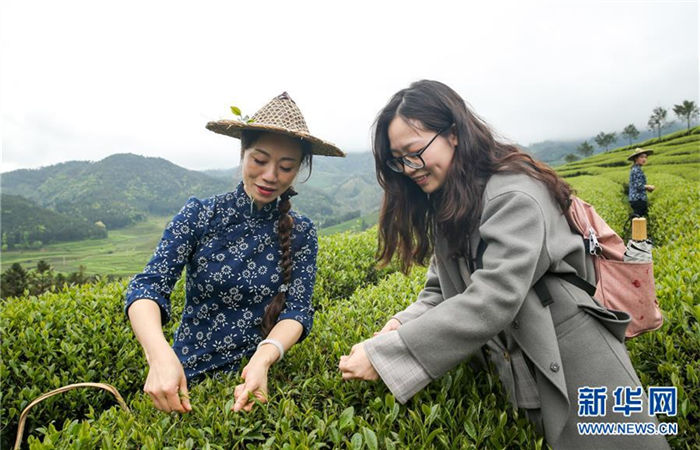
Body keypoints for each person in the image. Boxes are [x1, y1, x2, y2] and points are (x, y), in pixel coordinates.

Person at [338, 80, 669, 449]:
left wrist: (388, 356)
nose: (409, 168)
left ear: (454, 134)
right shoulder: (456, 200)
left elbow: (493, 297)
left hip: (578, 359)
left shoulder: (513, 193)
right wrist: (399, 326)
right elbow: (440, 288)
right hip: (528, 360)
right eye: (397, 160)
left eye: (414, 152)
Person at [125, 92, 344, 414]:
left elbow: (297, 312)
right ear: (243, 153)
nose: (271, 176)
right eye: (260, 160)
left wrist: (263, 359)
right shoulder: (200, 214)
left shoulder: (301, 232)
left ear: (298, 170)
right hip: (187, 377)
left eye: (286, 167)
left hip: (260, 376)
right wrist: (159, 356)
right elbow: (148, 287)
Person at [628, 148, 655, 217]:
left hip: (636, 199)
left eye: (645, 157)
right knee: (639, 220)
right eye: (641, 157)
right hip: (638, 199)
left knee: (637, 219)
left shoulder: (636, 169)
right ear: (636, 159)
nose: (644, 159)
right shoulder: (636, 170)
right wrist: (648, 187)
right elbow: (638, 186)